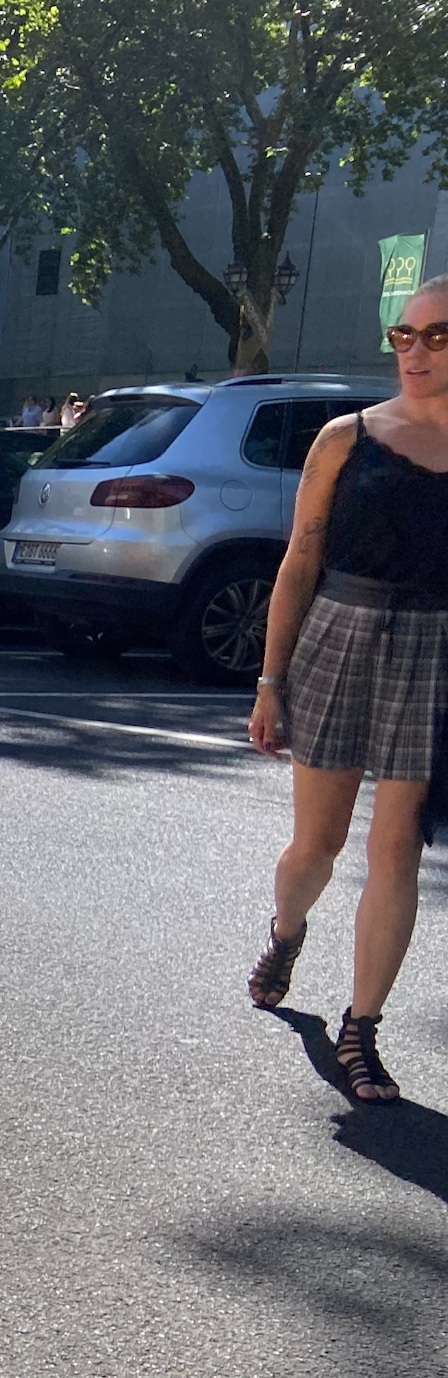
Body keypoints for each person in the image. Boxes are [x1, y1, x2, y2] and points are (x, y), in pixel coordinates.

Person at [245, 275, 448, 1101]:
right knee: (316, 847)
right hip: (339, 633)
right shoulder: (345, 438)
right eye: (405, 335)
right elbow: (299, 561)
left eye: (438, 336)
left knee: (395, 847)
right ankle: (287, 933)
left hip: (436, 650)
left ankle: (361, 1028)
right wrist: (269, 681)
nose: (415, 351)